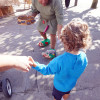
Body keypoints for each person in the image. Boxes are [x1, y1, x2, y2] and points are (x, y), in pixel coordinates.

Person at [31, 18, 92, 100]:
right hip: (70, 84)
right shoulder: (84, 57)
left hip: (59, 87)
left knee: (56, 97)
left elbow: (46, 70)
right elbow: (82, 67)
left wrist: (34, 64)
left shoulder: (59, 61)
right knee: (67, 93)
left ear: (65, 41)